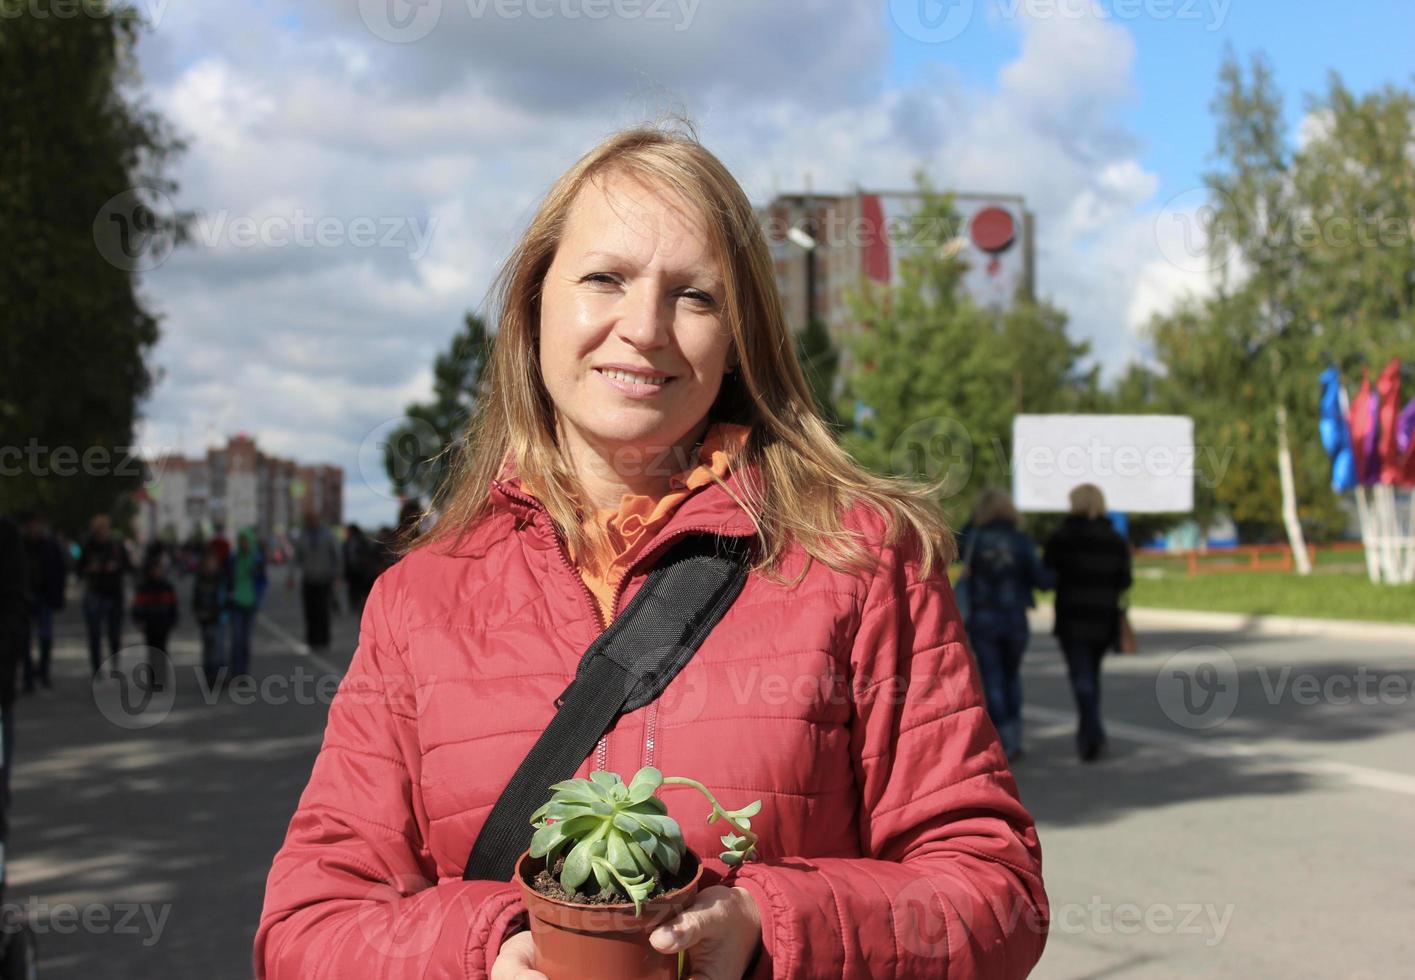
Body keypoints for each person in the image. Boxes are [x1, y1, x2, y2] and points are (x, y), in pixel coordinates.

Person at [256, 125, 1048, 979]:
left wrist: (769, 928)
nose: (644, 328)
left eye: (695, 297)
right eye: (605, 279)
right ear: (533, 305)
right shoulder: (420, 598)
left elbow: (993, 894)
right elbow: (309, 924)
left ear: (738, 335)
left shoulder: (858, 559)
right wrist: (482, 953)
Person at [957, 488, 1053, 761]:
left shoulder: (974, 537)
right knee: (1012, 675)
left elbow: (952, 550)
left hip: (984, 616)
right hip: (1014, 617)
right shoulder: (1021, 540)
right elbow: (1041, 579)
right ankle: (1015, 734)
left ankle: (1002, 737)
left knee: (992, 677)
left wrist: (971, 523)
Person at [1044, 483, 1134, 762]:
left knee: (1082, 679)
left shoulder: (1062, 537)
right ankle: (1093, 731)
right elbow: (1126, 580)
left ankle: (1091, 734)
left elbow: (1047, 576)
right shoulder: (1114, 539)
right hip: (1104, 618)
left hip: (1073, 618)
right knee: (1091, 676)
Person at [77, 514, 131, 675]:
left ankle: (114, 664)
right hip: (94, 593)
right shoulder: (88, 546)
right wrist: (90, 569)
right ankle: (96, 668)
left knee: (114, 634)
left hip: (113, 593)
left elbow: (127, 566)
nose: (101, 533)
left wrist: (115, 567)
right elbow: (79, 569)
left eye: (104, 530)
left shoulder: (116, 545)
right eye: (98, 530)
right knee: (94, 633)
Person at [19, 514, 65, 693]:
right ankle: (28, 676)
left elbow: (58, 571)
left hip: (44, 596)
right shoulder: (19, 546)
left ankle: (43, 671)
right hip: (24, 598)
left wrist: (58, 597)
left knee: (45, 637)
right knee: (24, 639)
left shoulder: (49, 545)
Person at [131, 547, 178, 693]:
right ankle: (153, 679)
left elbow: (173, 606)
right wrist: (139, 620)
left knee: (162, 650)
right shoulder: (144, 588)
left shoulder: (167, 587)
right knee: (152, 652)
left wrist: (173, 619)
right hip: (150, 623)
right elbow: (137, 606)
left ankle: (161, 677)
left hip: (163, 623)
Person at [292, 512, 338, 653]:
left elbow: (336, 554)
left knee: (323, 611)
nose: (312, 522)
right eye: (309, 520)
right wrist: (290, 576)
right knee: (310, 611)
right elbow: (296, 557)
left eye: (314, 519)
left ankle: (324, 640)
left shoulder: (327, 535)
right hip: (309, 578)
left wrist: (337, 575)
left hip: (324, 578)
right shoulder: (303, 536)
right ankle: (311, 640)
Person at [226, 529, 267, 681]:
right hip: (236, 602)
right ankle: (235, 671)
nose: (244, 543)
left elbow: (262, 581)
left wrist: (258, 597)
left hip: (250, 602)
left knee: (245, 640)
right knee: (237, 638)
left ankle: (243, 673)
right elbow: (227, 580)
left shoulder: (256, 559)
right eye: (242, 540)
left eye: (246, 540)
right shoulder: (232, 560)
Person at [193, 545, 228, 687]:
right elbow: (196, 598)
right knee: (208, 649)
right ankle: (209, 677)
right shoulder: (201, 578)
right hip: (205, 618)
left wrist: (223, 610)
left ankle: (220, 676)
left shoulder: (220, 577)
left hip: (218, 617)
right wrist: (198, 611)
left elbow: (224, 597)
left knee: (219, 648)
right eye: (208, 561)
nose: (210, 564)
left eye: (213, 561)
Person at [340, 523, 377, 616]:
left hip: (361, 571)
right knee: (353, 589)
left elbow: (368, 555)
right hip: (352, 570)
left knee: (359, 589)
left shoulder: (362, 541)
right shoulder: (347, 542)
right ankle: (355, 605)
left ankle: (358, 605)